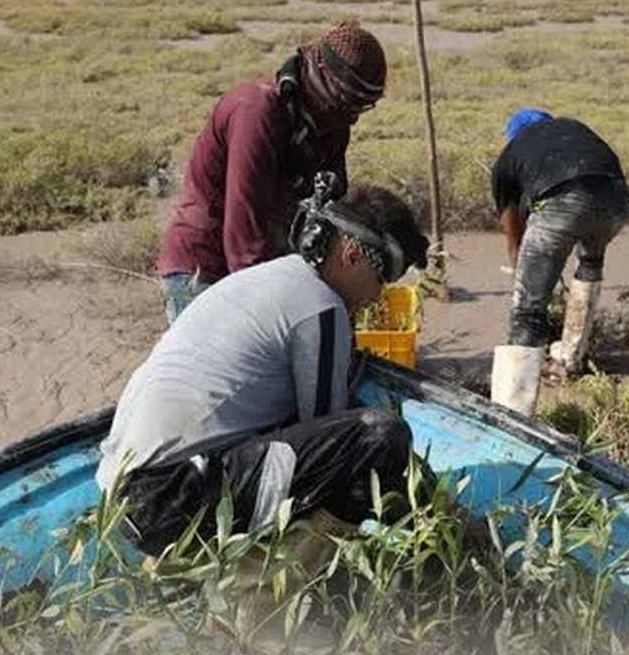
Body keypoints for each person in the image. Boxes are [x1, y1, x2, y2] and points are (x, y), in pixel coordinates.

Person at [98, 182, 431, 555]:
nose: (375, 296)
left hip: (121, 497)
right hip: (174, 500)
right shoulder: (321, 307)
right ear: (352, 254)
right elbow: (336, 439)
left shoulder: (270, 277)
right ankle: (284, 578)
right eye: (380, 279)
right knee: (379, 436)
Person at [156, 21, 388, 323]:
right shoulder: (256, 112)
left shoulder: (333, 124)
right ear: (319, 70)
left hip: (261, 266)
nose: (353, 117)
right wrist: (276, 311)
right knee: (219, 368)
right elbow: (245, 234)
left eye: (362, 107)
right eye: (346, 100)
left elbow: (333, 212)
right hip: (204, 270)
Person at [488, 108, 629, 411]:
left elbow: (512, 228)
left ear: (511, 136)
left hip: (564, 198)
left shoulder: (510, 156)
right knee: (590, 262)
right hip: (616, 200)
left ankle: (511, 410)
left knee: (527, 311)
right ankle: (570, 359)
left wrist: (523, 272)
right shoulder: (573, 128)